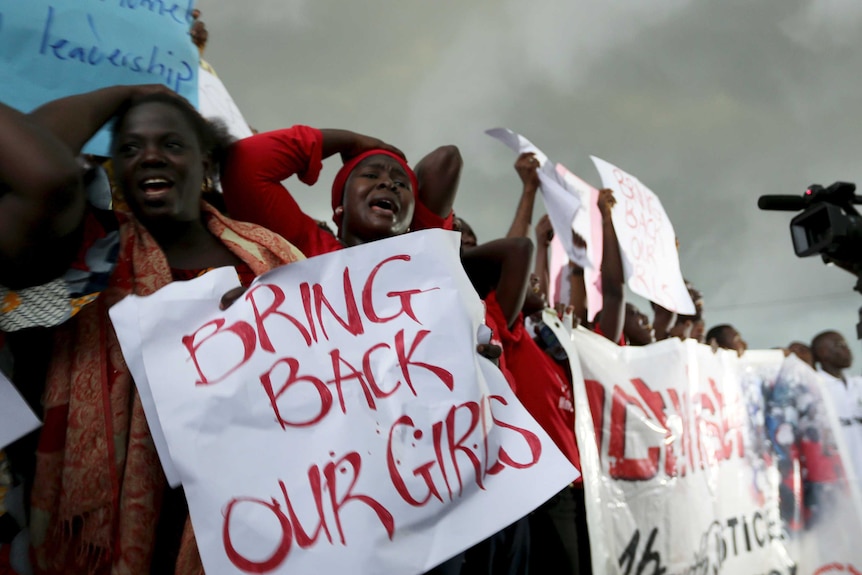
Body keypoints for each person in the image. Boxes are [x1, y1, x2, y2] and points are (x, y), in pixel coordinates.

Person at [8, 85, 305, 574]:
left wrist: (268, 332)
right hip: (123, 523)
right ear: (117, 170)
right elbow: (39, 161)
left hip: (259, 516)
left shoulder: (270, 255)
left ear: (205, 163)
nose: (149, 156)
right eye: (129, 147)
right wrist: (124, 92)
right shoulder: (88, 246)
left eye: (171, 144)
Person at [220, 126, 461, 257]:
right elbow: (244, 162)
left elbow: (447, 159)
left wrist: (418, 226)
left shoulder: (422, 260)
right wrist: (350, 141)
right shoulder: (305, 247)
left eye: (401, 184)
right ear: (340, 204)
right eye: (370, 175)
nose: (388, 184)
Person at [811, 330, 862, 480]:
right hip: (837, 477)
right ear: (823, 352)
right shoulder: (815, 385)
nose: (847, 349)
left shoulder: (858, 384)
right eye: (840, 345)